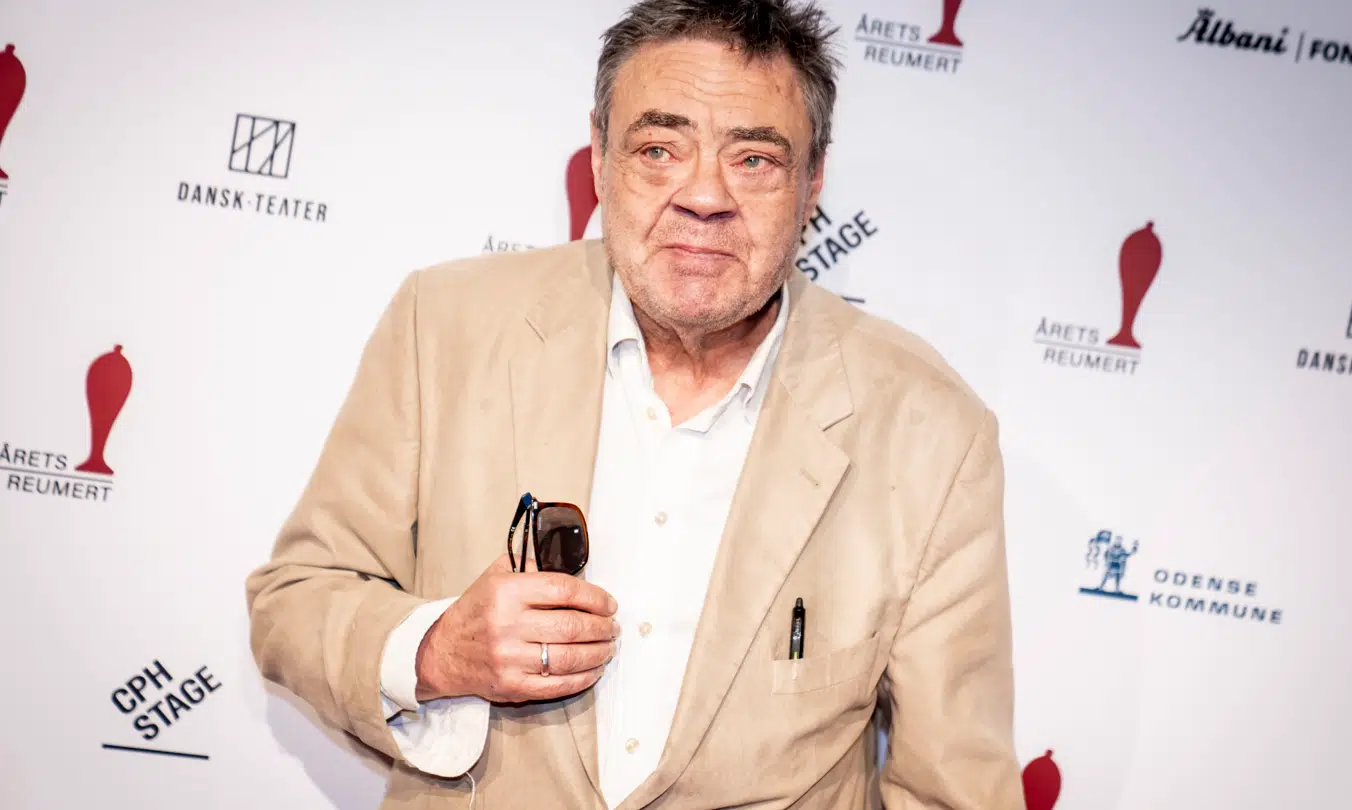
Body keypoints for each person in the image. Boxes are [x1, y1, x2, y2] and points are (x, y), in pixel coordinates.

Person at [245, 1, 1023, 807]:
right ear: (599, 155)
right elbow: (295, 601)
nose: (705, 195)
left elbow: (954, 787)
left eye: (755, 159)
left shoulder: (931, 431)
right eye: (659, 149)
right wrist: (435, 652)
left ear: (813, 182)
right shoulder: (443, 325)